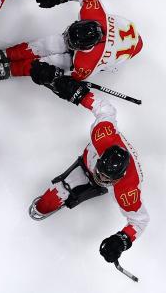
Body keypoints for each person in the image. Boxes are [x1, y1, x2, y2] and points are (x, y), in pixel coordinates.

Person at [28, 77, 148, 265]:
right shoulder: (103, 134)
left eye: (107, 180)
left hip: (99, 163)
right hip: (89, 158)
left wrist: (122, 240)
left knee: (55, 196)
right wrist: (77, 93)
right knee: (52, 198)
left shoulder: (128, 189)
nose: (100, 178)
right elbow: (105, 108)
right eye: (100, 173)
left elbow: (140, 221)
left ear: (121, 177)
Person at [0, 0, 143, 84]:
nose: (66, 41)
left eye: (71, 43)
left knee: (49, 62)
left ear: (84, 48)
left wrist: (52, 74)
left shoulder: (87, 63)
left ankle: (12, 68)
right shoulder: (92, 12)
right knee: (47, 44)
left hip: (111, 55)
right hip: (119, 31)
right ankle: (9, 56)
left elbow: (73, 77)